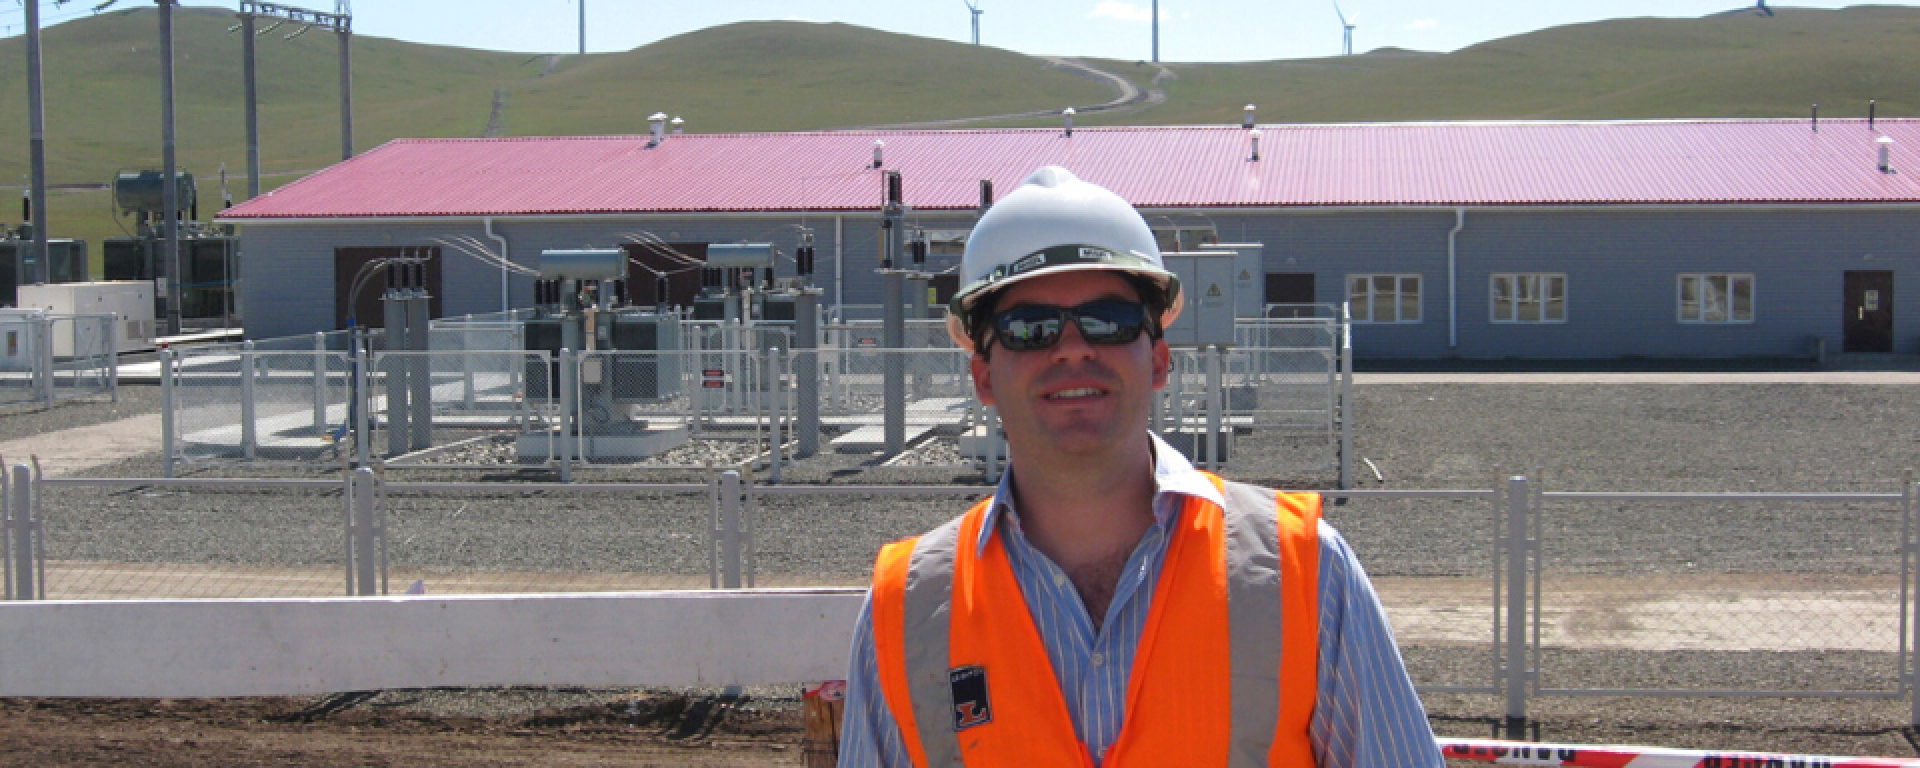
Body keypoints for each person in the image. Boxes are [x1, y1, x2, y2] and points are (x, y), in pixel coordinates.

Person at [837, 166, 1441, 767]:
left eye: (1109, 320)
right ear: (984, 375)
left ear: (1157, 359)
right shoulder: (910, 608)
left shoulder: (1304, 573)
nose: (1073, 347)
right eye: (1030, 328)